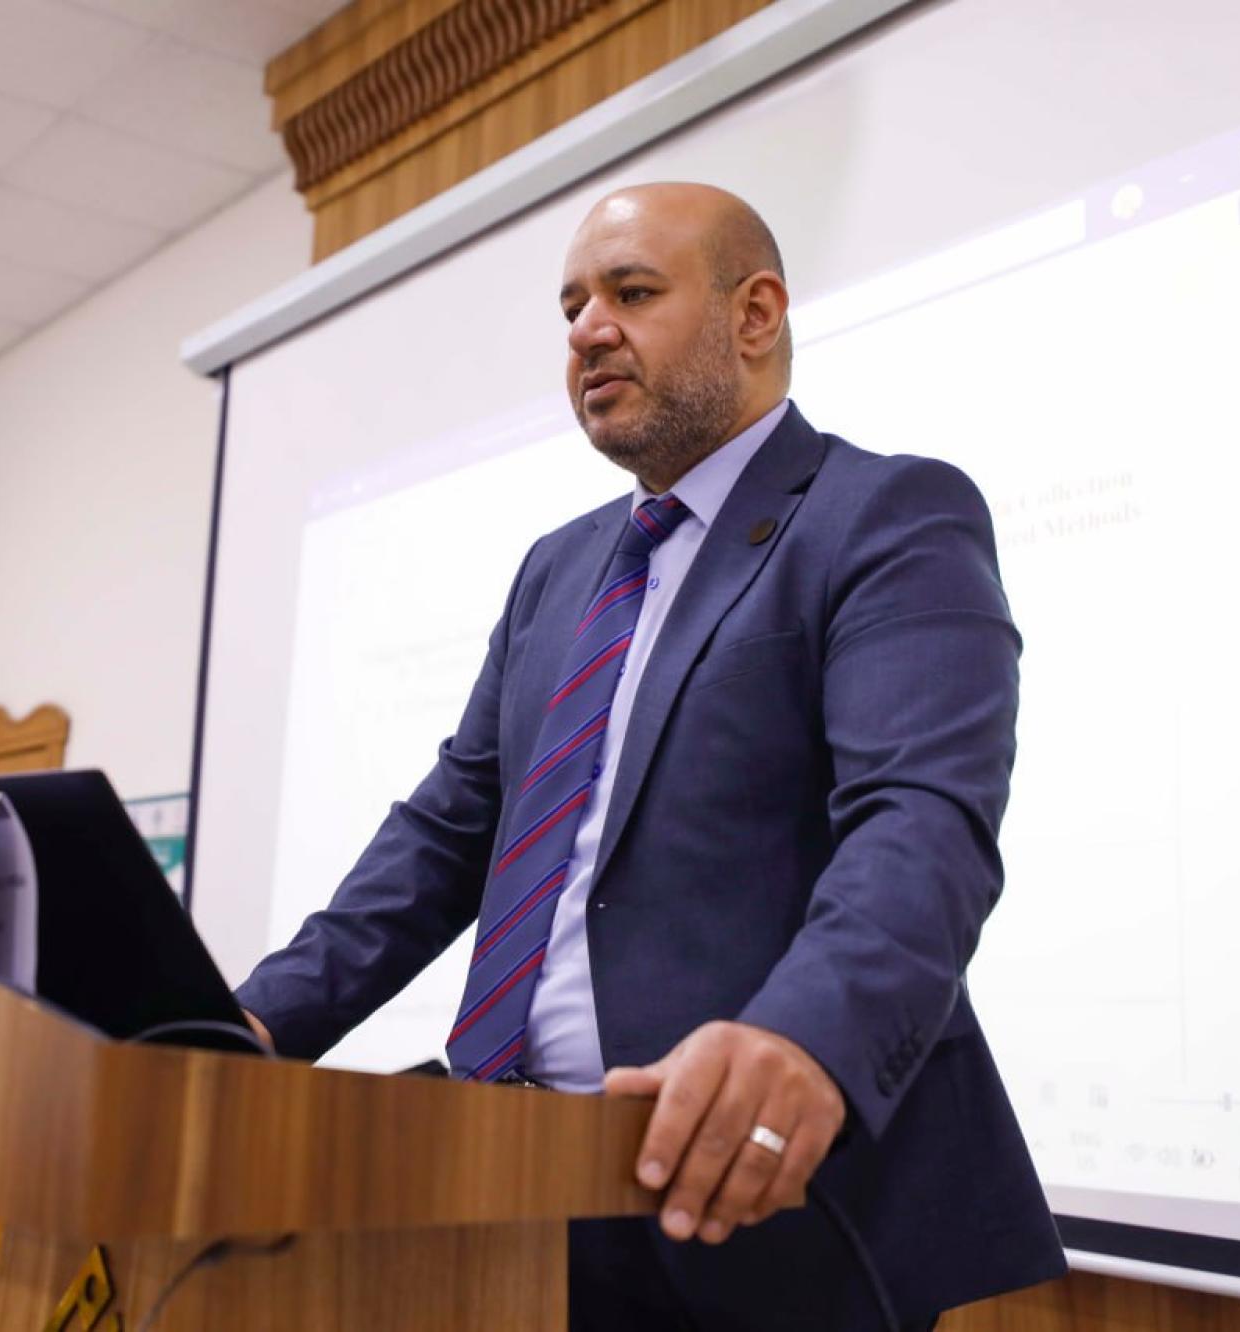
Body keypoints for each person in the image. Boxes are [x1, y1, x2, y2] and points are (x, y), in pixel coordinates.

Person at [233, 182, 1065, 1329]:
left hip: (753, 1203)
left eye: (629, 293)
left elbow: (918, 823)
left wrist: (802, 1038)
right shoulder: (555, 568)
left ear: (753, 314)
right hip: (505, 1182)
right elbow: (445, 836)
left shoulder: (883, 514)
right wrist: (247, 1028)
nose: (586, 330)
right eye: (571, 306)